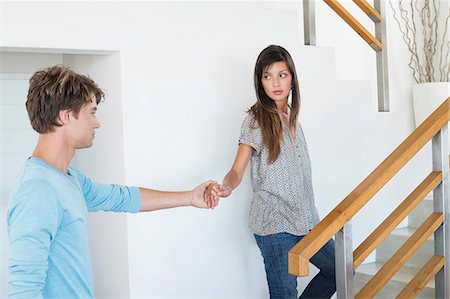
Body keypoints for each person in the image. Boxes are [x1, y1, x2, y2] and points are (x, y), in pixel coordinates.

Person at [7, 65, 218, 298]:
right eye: (92, 112)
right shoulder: (38, 189)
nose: (97, 123)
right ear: (65, 116)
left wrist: (189, 197)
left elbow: (121, 198)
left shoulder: (69, 178)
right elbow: (23, 288)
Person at [205, 45, 336, 299]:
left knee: (340, 270)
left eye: (282, 75)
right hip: (274, 225)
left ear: (292, 79)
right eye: (267, 76)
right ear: (260, 82)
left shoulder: (292, 117)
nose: (275, 82)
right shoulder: (256, 120)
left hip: (306, 221)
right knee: (285, 293)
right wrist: (227, 187)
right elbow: (236, 170)